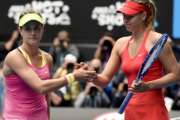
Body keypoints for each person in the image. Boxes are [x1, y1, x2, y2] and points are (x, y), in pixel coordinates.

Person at [92, 0, 180, 120]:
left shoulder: (157, 40)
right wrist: (91, 76)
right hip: (131, 113)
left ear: (143, 15)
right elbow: (104, 80)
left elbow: (176, 75)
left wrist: (148, 86)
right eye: (124, 16)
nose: (125, 20)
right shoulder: (120, 43)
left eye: (130, 16)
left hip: (154, 113)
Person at [2, 9, 96, 119]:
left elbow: (46, 93)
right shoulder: (14, 57)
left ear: (42, 29)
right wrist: (73, 76)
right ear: (20, 30)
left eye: (37, 28)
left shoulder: (47, 58)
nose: (33, 33)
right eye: (28, 28)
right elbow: (40, 87)